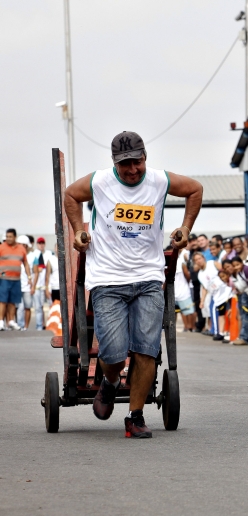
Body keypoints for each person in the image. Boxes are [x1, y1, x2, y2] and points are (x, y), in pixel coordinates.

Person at [64, 131, 203, 438]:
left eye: (136, 163)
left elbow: (195, 189)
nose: (132, 170)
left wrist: (185, 227)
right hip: (108, 280)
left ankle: (134, 416)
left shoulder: (159, 180)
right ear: (114, 162)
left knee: (146, 351)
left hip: (149, 279)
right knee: (112, 354)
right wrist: (77, 230)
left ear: (145, 158)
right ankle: (110, 383)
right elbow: (70, 195)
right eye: (125, 164)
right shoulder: (99, 182)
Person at [0, 228, 31, 331]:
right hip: (4, 278)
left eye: (10, 237)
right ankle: (1, 322)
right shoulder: (2, 247)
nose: (8, 239)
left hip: (16, 279)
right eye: (7, 237)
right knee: (3, 300)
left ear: (15, 237)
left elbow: (25, 263)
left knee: (13, 301)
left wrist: (29, 277)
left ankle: (11, 321)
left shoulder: (21, 248)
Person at [230, 254, 248, 346]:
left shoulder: (246, 270)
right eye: (234, 266)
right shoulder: (239, 272)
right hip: (246, 294)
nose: (236, 267)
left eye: (237, 265)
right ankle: (247, 336)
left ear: (241, 263)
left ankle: (247, 337)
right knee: (245, 316)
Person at [174, 246, 196, 332]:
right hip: (175, 291)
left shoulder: (182, 261)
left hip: (184, 290)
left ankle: (192, 327)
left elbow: (187, 276)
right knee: (181, 310)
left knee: (189, 310)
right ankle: (187, 327)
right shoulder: (177, 260)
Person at [16, 235, 33, 330]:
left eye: (23, 245)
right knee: (18, 308)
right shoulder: (15, 256)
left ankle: (25, 327)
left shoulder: (31, 257)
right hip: (17, 285)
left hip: (27, 287)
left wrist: (33, 285)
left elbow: (36, 272)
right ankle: (19, 325)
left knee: (27, 307)